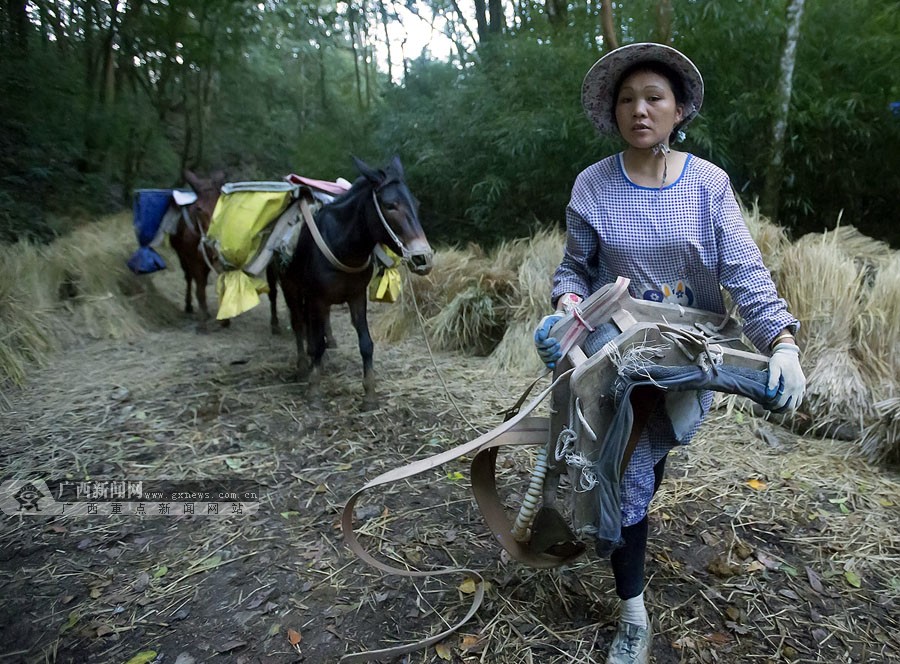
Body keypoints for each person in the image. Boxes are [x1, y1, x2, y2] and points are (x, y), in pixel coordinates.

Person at [533, 43, 806, 664]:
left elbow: (744, 272)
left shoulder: (707, 184)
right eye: (627, 99)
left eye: (654, 97)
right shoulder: (593, 184)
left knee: (641, 467)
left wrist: (781, 341)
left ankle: (619, 522)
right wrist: (564, 311)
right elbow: (575, 270)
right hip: (614, 348)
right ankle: (633, 615)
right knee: (626, 473)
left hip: (690, 350)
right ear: (613, 112)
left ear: (679, 109)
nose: (639, 109)